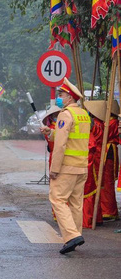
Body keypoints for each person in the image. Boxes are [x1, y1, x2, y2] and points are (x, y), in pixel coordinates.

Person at [40, 78, 90, 255]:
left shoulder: (66, 114)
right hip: (82, 166)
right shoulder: (83, 114)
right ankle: (76, 235)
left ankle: (71, 236)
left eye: (61, 95)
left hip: (67, 167)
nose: (59, 98)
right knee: (76, 203)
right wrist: (51, 132)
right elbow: (71, 138)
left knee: (58, 199)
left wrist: (54, 169)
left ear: (69, 97)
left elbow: (61, 145)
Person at [82, 100, 119, 226]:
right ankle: (103, 212)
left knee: (103, 184)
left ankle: (109, 211)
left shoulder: (105, 123)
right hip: (102, 152)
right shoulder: (103, 123)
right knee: (102, 184)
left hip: (102, 153)